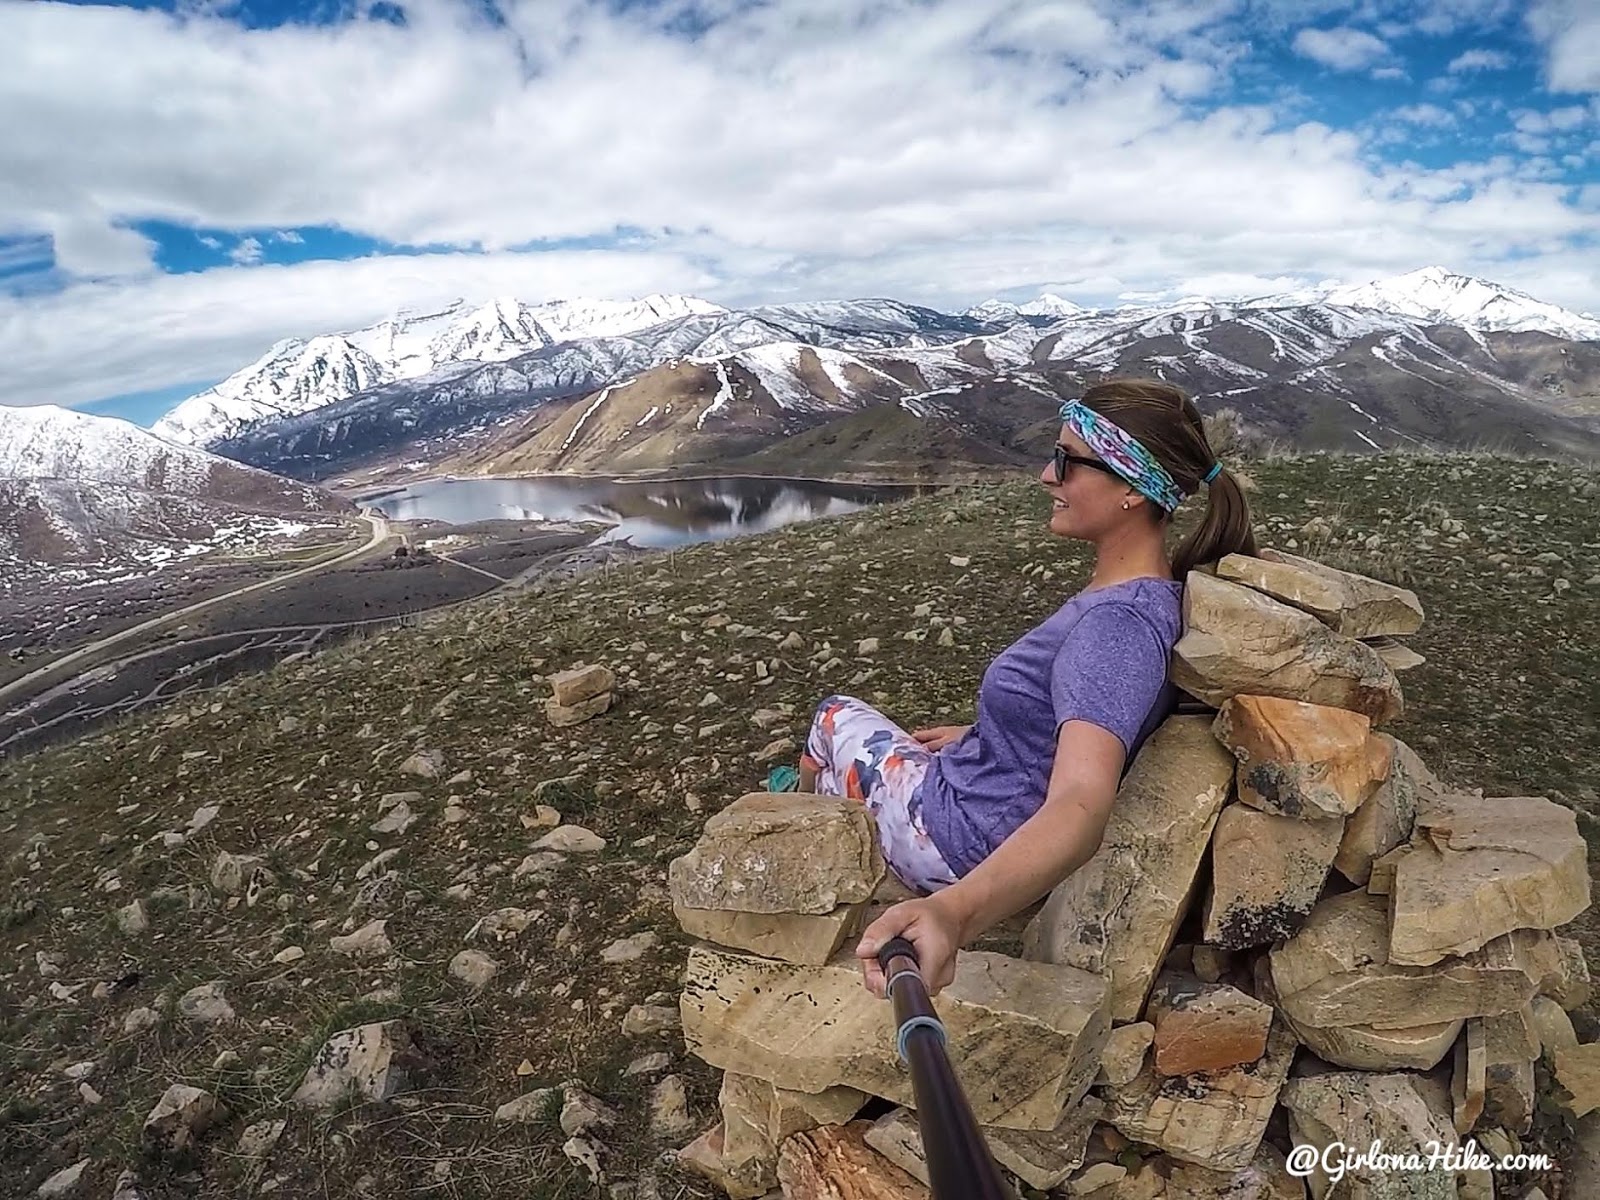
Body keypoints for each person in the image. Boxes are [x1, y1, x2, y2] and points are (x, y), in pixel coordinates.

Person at [794, 378, 1257, 998]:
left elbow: (1080, 805)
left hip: (956, 838)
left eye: (1067, 461)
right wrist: (991, 737)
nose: (1046, 475)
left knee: (833, 718)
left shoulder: (1115, 627)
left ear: (1128, 486)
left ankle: (807, 828)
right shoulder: (1151, 596)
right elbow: (1076, 717)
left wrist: (954, 914)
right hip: (981, 795)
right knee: (879, 740)